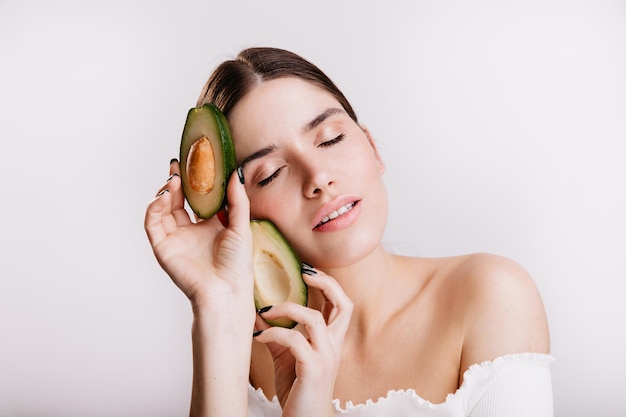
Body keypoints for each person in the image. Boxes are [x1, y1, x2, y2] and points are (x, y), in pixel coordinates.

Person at [144, 47, 553, 417]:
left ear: (372, 148)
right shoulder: (242, 343)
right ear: (232, 216)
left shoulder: (491, 294)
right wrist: (214, 305)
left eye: (331, 138)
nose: (318, 178)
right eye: (271, 174)